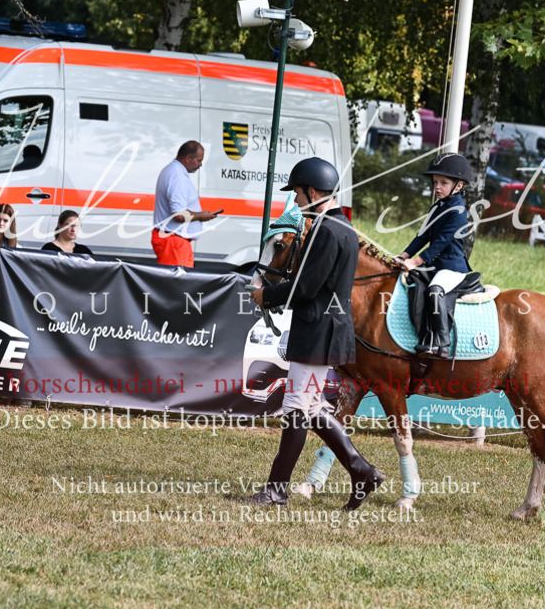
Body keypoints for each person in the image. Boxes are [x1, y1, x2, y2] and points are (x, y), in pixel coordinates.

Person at [247, 157, 385, 511]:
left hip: (318, 329)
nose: (294, 201)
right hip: (327, 329)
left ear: (311, 190)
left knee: (296, 407)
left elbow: (307, 287)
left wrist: (268, 294)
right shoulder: (343, 228)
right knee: (310, 407)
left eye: (296, 193)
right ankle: (362, 471)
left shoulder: (326, 230)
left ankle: (276, 490)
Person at [395, 152, 472, 356]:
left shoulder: (457, 212)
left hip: (452, 267)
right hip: (435, 266)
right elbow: (422, 236)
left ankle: (441, 341)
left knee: (435, 290)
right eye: (435, 182)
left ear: (459, 186)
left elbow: (439, 243)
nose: (437, 187)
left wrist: (416, 261)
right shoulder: (438, 207)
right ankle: (424, 334)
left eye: (443, 183)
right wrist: (403, 255)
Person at [151, 140, 218, 267]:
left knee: (181, 284)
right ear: (188, 158)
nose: (201, 165)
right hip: (174, 242)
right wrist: (201, 216)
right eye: (199, 160)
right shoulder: (177, 176)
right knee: (176, 285)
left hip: (174, 241)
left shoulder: (174, 172)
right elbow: (179, 214)